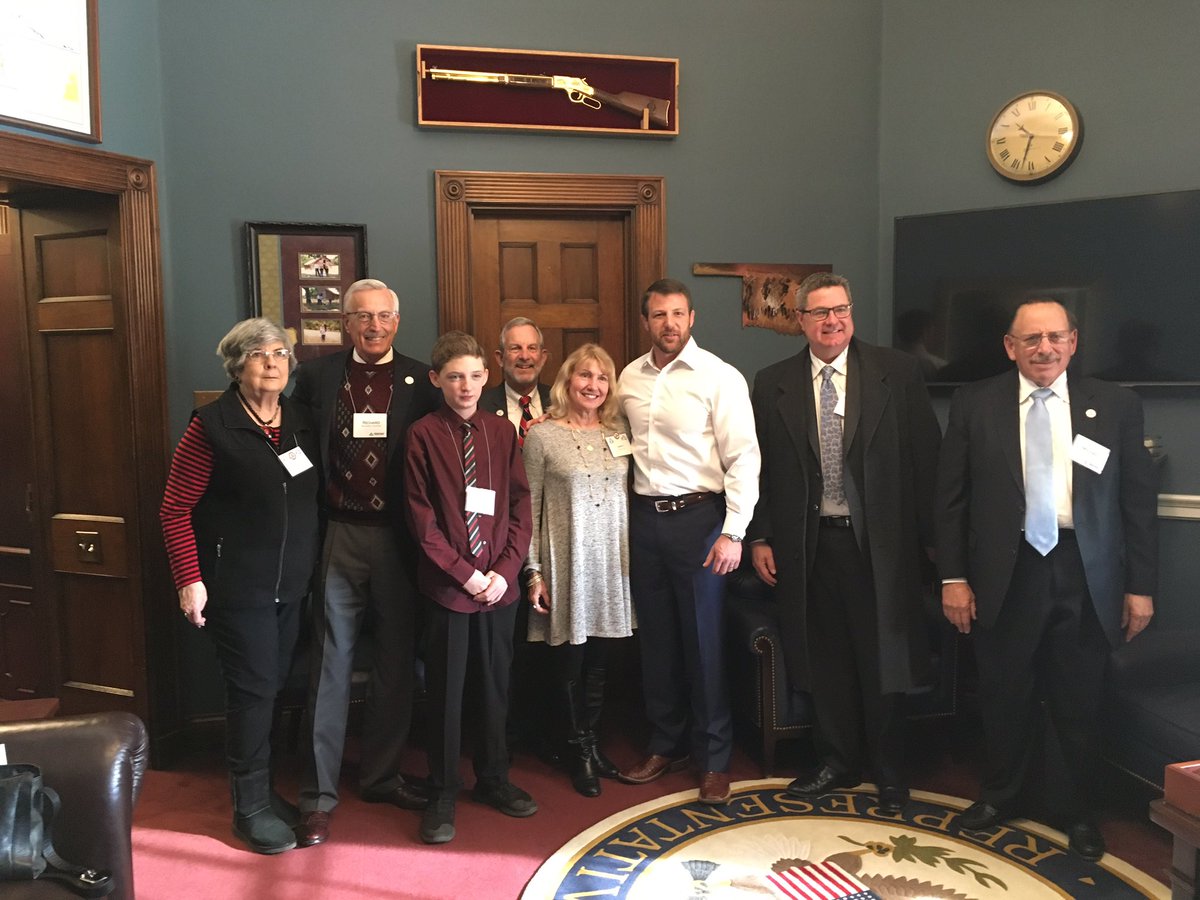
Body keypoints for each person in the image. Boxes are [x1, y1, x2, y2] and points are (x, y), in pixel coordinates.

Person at [935, 299, 1157, 861]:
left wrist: (1141, 586)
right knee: (1004, 692)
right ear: (1010, 346)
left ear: (1073, 342)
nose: (1045, 349)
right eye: (1031, 339)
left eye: (1055, 337)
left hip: (1085, 572)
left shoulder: (1116, 405)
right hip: (1004, 572)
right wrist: (953, 577)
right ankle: (1001, 795)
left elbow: (1137, 504)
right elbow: (951, 499)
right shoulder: (975, 402)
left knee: (1078, 698)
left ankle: (1076, 810)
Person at [747, 272, 941, 814]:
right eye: (820, 312)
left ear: (851, 312)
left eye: (841, 310)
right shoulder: (772, 382)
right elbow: (759, 468)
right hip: (809, 545)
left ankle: (889, 770)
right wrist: (760, 535)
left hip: (882, 547)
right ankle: (837, 761)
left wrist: (935, 548)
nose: (832, 321)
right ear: (800, 320)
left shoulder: (897, 371)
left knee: (883, 658)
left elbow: (926, 458)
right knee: (825, 658)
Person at [290, 278, 440, 847]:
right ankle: (317, 796)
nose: (374, 326)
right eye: (362, 317)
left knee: (396, 663)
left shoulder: (422, 380)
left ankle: (381, 776)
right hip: (340, 532)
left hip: (400, 539)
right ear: (345, 324)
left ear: (397, 322)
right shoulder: (317, 376)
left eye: (383, 316)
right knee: (329, 663)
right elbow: (298, 449)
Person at [160, 318, 319, 854]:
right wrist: (189, 579)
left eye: (279, 353)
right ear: (236, 366)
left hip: (291, 587)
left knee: (272, 687)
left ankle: (265, 792)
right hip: (236, 587)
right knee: (252, 691)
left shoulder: (298, 420)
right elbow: (174, 509)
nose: (272, 362)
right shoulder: (211, 426)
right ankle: (248, 807)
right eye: (258, 354)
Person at [616, 278, 760, 806]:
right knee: (656, 642)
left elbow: (743, 458)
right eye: (659, 315)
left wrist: (733, 532)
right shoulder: (628, 377)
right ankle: (665, 744)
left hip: (701, 521)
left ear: (692, 318)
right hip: (644, 520)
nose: (669, 323)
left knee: (704, 643)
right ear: (646, 322)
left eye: (678, 313)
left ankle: (714, 758)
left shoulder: (719, 376)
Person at [405, 331, 536, 845]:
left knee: (495, 686)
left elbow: (520, 505)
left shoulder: (501, 432)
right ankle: (442, 790)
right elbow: (422, 519)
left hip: (500, 588)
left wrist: (505, 570)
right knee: (446, 692)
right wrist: (466, 575)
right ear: (436, 379)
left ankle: (494, 777)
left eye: (475, 376)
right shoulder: (422, 435)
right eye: (455, 377)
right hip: (449, 589)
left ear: (487, 377)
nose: (466, 386)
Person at [523, 344, 635, 797]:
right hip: (566, 562)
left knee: (600, 663)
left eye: (602, 377)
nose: (593, 385)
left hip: (612, 562)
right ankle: (578, 750)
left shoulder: (619, 431)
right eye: (585, 375)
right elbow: (528, 509)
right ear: (567, 381)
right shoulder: (542, 436)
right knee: (569, 661)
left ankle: (590, 740)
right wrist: (533, 571)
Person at [480, 317, 553, 758]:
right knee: (502, 646)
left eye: (531, 349)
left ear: (543, 356)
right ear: (499, 357)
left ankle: (546, 731)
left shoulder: (563, 403)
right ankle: (501, 736)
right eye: (515, 348)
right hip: (497, 542)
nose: (524, 357)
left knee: (546, 642)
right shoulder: (479, 402)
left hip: (551, 538)